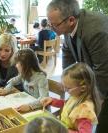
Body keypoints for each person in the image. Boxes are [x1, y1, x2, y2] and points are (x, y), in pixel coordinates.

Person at [46, 0, 108, 132]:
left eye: (54, 25)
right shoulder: (68, 27)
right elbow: (67, 52)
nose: (51, 28)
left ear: (71, 20)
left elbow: (103, 71)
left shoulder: (96, 31)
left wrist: (95, 102)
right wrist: (65, 80)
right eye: (49, 23)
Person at [40, 63, 99, 132]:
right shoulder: (76, 95)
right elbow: (67, 104)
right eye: (64, 86)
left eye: (68, 88)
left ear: (83, 88)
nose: (65, 90)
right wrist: (52, 101)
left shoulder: (84, 110)